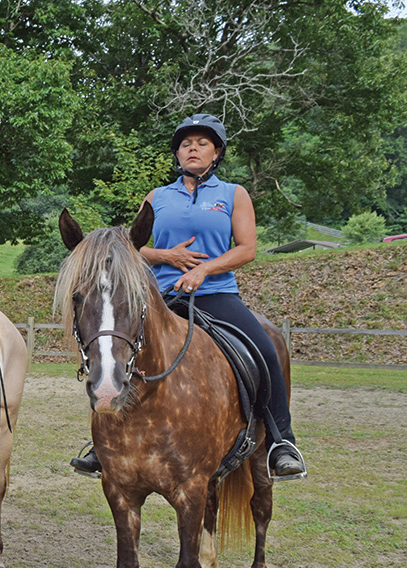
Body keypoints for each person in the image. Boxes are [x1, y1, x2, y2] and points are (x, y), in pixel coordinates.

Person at [70, 113, 306, 479]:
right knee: (117, 347)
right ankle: (105, 445)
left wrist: (202, 270)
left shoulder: (233, 194)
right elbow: (132, 246)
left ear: (216, 154)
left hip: (216, 294)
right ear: (177, 155)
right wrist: (167, 256)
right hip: (161, 297)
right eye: (185, 145)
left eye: (202, 144)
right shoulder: (158, 197)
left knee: (265, 349)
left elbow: (246, 249)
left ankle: (280, 441)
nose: (192, 149)